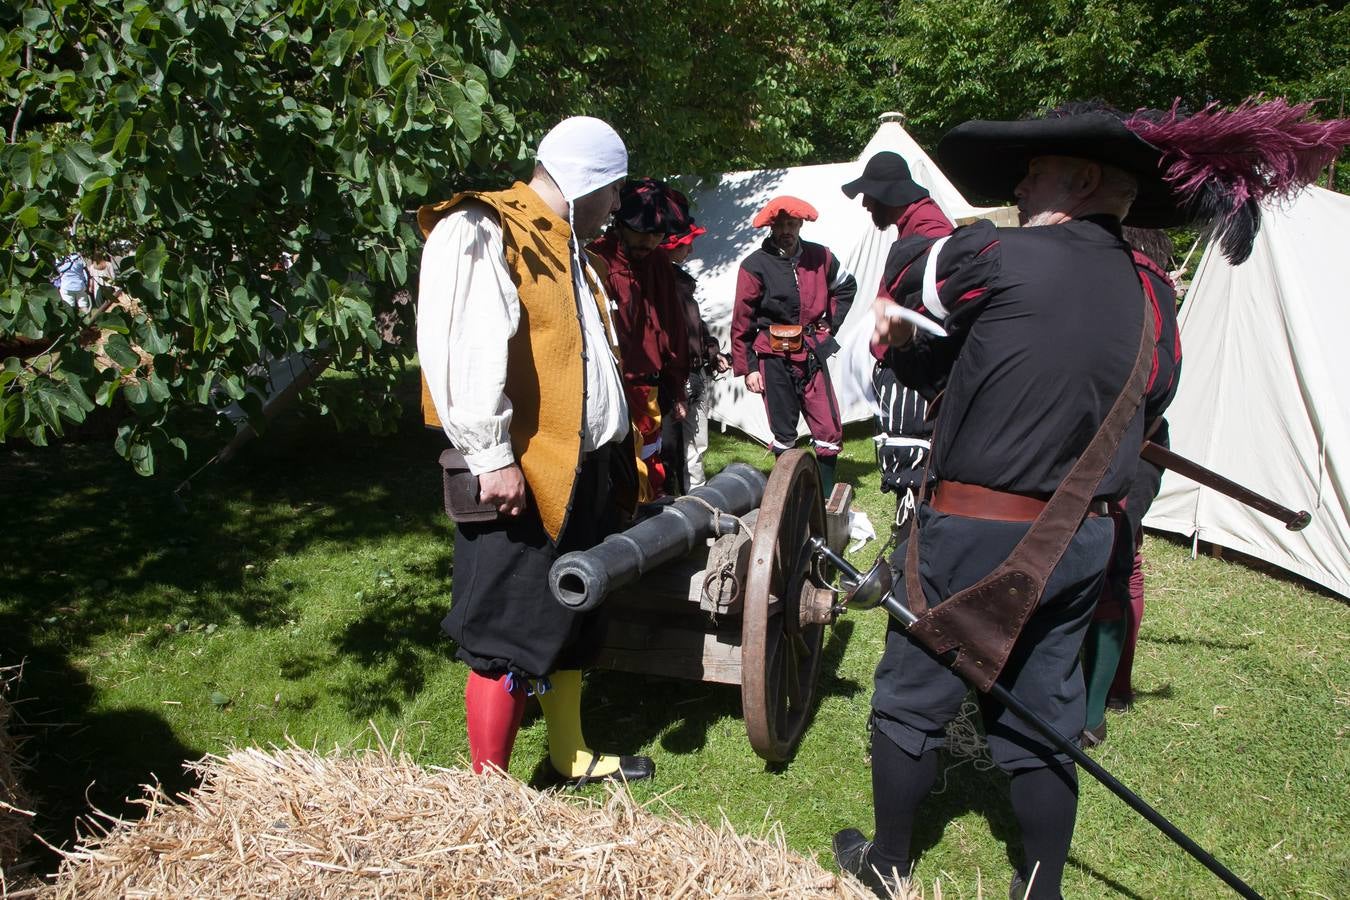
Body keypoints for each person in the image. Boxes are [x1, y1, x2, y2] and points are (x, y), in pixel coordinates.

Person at [832, 98, 1345, 899]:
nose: (1021, 188)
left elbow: (904, 287)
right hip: (1083, 539)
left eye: (1034, 174)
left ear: (1084, 177)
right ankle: (1040, 891)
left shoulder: (988, 255)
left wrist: (911, 338)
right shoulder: (1154, 295)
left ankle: (888, 863)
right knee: (1043, 715)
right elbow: (1155, 396)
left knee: (910, 702)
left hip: (973, 532)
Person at [416, 116, 654, 785]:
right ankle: (489, 797)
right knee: (504, 634)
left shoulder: (571, 244)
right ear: (585, 181)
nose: (616, 206)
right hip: (524, 476)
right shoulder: (484, 228)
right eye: (611, 190)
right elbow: (465, 348)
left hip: (589, 471)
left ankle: (568, 756)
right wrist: (491, 456)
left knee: (578, 616)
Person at [1080, 227, 1182, 746]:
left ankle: (1099, 704)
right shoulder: (1149, 283)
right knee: (1118, 564)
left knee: (1118, 568)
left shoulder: (1144, 285)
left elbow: (1156, 380)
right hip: (1118, 444)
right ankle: (1105, 688)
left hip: (1131, 449)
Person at [842, 152, 956, 525]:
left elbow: (934, 313)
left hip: (917, 371)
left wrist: (901, 348)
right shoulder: (913, 228)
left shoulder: (929, 230)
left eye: (869, 196)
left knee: (915, 463)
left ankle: (915, 541)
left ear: (886, 194)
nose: (865, 204)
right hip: (904, 362)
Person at [730, 196, 857, 493]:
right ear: (772, 227)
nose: (786, 229)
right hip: (773, 357)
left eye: (791, 223)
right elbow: (742, 320)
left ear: (801, 224)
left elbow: (846, 286)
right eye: (780, 224)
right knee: (783, 427)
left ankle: (824, 498)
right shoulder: (754, 265)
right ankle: (789, 494)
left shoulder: (821, 256)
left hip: (812, 352)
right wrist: (748, 368)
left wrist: (831, 322)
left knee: (827, 422)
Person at [589, 178, 690, 500]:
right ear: (620, 224)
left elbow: (673, 327)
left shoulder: (659, 262)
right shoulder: (595, 260)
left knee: (650, 466)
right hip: (607, 388)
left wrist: (677, 388)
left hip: (648, 388)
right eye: (642, 231)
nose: (649, 240)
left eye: (657, 234)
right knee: (612, 472)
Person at [659, 200, 729, 492]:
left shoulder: (682, 284)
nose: (691, 249)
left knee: (696, 448)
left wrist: (713, 352)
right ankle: (676, 507)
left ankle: (697, 503)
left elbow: (693, 330)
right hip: (676, 378)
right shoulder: (660, 285)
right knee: (671, 450)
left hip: (696, 375)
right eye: (686, 244)